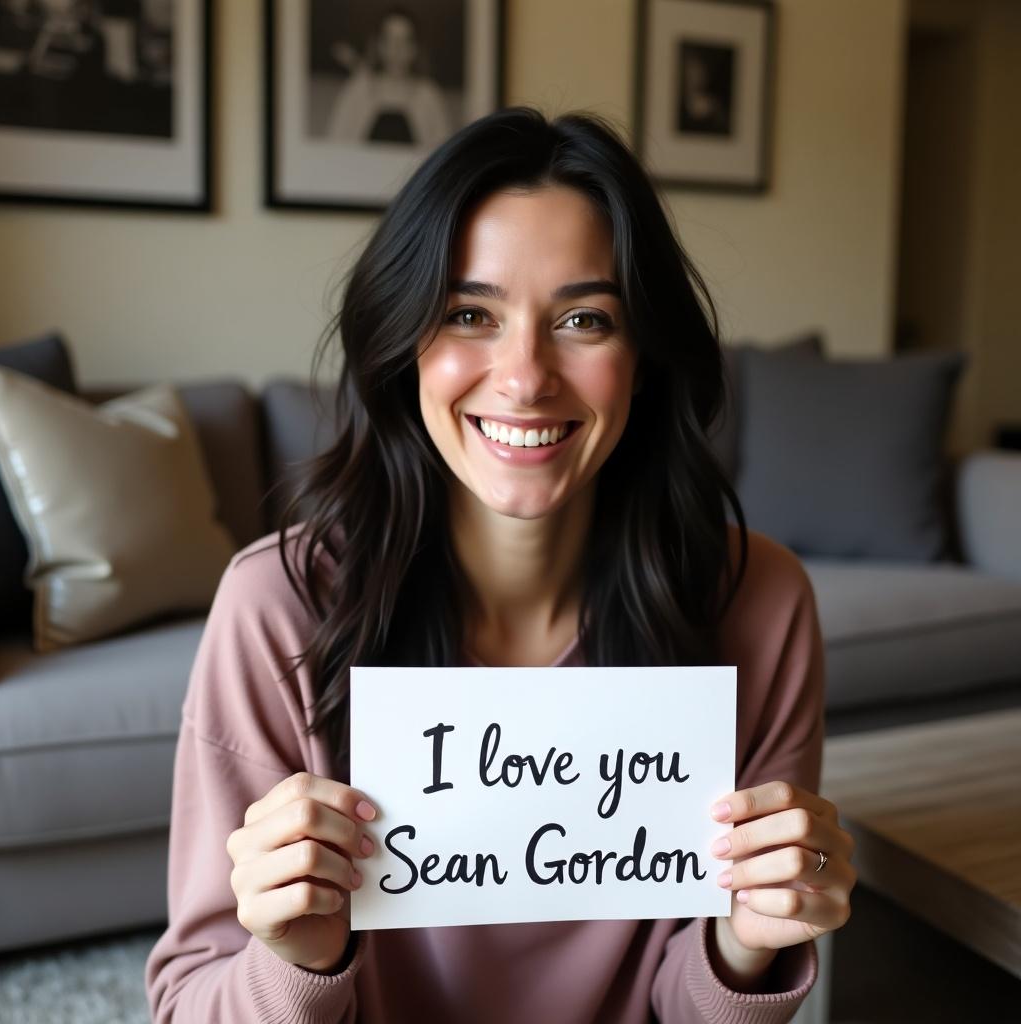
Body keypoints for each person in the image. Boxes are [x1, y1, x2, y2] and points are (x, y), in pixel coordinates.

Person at [145, 106, 855, 1022]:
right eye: (469, 313)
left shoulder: (758, 602)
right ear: (404, 344)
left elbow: (689, 1007)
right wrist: (293, 959)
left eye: (585, 319)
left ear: (644, 357)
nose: (524, 375)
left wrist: (746, 941)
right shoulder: (276, 604)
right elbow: (188, 1003)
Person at [326, 6, 451, 147]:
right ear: (380, 45)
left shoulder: (429, 95)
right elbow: (336, 143)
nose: (396, 49)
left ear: (414, 48)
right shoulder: (359, 89)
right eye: (390, 40)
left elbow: (443, 153)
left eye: (404, 41)